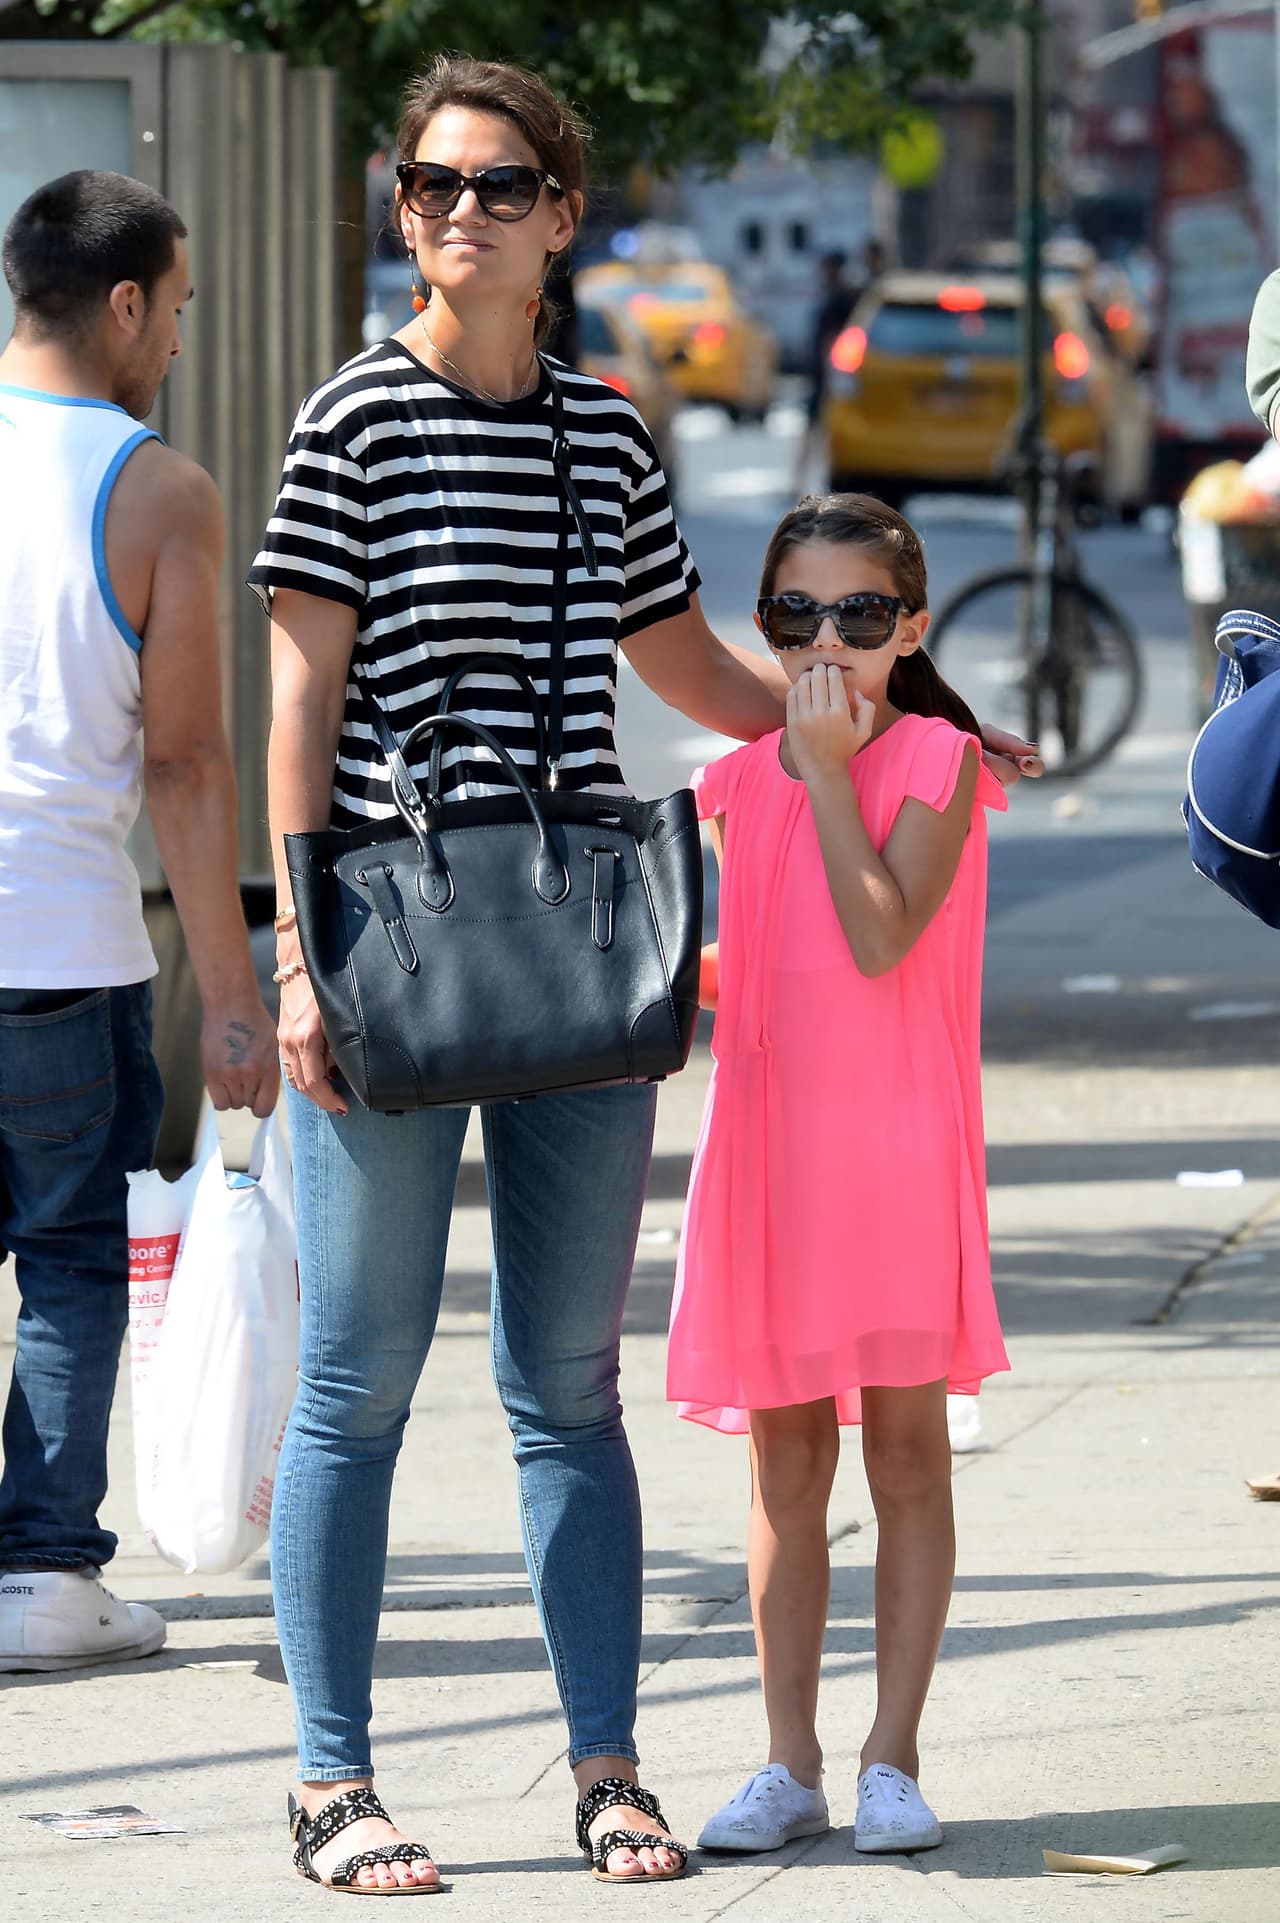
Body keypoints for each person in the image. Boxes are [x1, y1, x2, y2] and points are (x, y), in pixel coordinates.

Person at [254, 56, 1039, 1896]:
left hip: (587, 941)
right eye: (434, 183)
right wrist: (295, 946)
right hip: (393, 933)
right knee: (358, 1380)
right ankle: (330, 1777)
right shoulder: (349, 422)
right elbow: (299, 699)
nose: (464, 211)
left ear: (561, 213)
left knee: (565, 1383)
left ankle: (607, 1762)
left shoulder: (604, 433)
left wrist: (877, 724)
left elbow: (680, 652)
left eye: (503, 183)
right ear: (406, 210)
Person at [667, 493, 1010, 1854]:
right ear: (765, 625)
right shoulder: (729, 785)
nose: (828, 640)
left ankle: (892, 1754)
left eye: (861, 615)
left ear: (909, 628)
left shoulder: (939, 758)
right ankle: (787, 1757)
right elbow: (760, 959)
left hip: (896, 1151)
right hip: (769, 1147)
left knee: (910, 1447)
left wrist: (820, 770)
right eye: (796, 613)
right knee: (785, 1456)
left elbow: (880, 939)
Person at [0, 171, 278, 1673]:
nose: (174, 339)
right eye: (173, 310)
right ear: (122, 304)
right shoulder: (157, 489)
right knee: (66, 1258)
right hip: (54, 950)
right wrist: (229, 993)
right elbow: (181, 760)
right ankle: (42, 1571)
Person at [794, 240, 885, 493]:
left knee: (821, 428)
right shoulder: (844, 295)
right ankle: (799, 479)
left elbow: (834, 340)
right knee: (815, 427)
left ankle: (800, 479)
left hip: (831, 376)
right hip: (828, 374)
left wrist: (831, 373)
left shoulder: (842, 299)